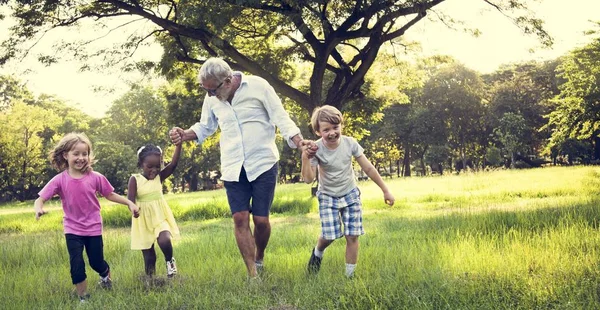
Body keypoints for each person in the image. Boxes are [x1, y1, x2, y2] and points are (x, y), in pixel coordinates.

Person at [169, 57, 313, 279]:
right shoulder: (213, 98)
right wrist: (184, 133)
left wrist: (299, 141)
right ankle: (253, 274)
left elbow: (281, 117)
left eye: (212, 90)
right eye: (206, 90)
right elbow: (205, 126)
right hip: (233, 166)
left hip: (263, 162)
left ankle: (260, 256)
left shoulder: (259, 86)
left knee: (262, 222)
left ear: (227, 81)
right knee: (239, 219)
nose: (209, 95)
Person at [34, 132, 139, 302]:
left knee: (96, 262)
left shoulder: (96, 177)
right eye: (76, 154)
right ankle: (83, 298)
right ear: (65, 155)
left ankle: (105, 276)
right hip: (72, 228)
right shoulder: (59, 180)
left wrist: (129, 203)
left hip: (93, 227)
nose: (81, 158)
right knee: (77, 264)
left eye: (85, 154)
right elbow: (40, 198)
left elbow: (110, 194)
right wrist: (38, 208)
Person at [301, 105, 395, 278]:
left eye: (335, 127)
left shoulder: (350, 143)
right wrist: (305, 157)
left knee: (352, 235)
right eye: (326, 129)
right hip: (328, 196)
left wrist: (385, 190)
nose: (332, 133)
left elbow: (368, 168)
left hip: (350, 194)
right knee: (329, 236)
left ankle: (349, 277)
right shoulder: (315, 149)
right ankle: (318, 252)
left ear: (341, 126)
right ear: (317, 131)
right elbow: (308, 179)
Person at [128, 143, 181, 279]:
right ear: (141, 164)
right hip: (143, 220)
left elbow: (173, 165)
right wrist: (133, 209)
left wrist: (178, 146)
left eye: (158, 166)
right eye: (149, 166)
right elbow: (130, 200)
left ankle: (170, 262)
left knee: (164, 240)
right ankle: (151, 280)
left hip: (159, 216)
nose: (154, 170)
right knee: (149, 255)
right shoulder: (135, 179)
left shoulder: (159, 177)